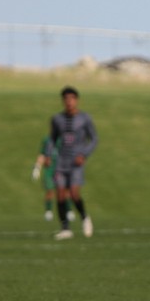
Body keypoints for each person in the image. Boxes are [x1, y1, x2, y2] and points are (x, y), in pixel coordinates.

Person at [48, 86, 98, 240]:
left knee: (74, 193)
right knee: (61, 194)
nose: (69, 102)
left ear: (77, 100)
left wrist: (84, 154)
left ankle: (84, 218)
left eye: (72, 99)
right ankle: (65, 228)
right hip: (61, 162)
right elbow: (52, 139)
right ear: (63, 101)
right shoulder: (57, 119)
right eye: (66, 99)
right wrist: (48, 155)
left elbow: (94, 139)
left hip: (76, 162)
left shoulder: (85, 118)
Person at [32, 135, 59, 221]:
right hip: (49, 169)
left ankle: (68, 211)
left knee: (64, 190)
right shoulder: (47, 140)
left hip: (60, 168)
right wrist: (37, 168)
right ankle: (48, 212)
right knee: (49, 190)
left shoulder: (64, 139)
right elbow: (42, 155)